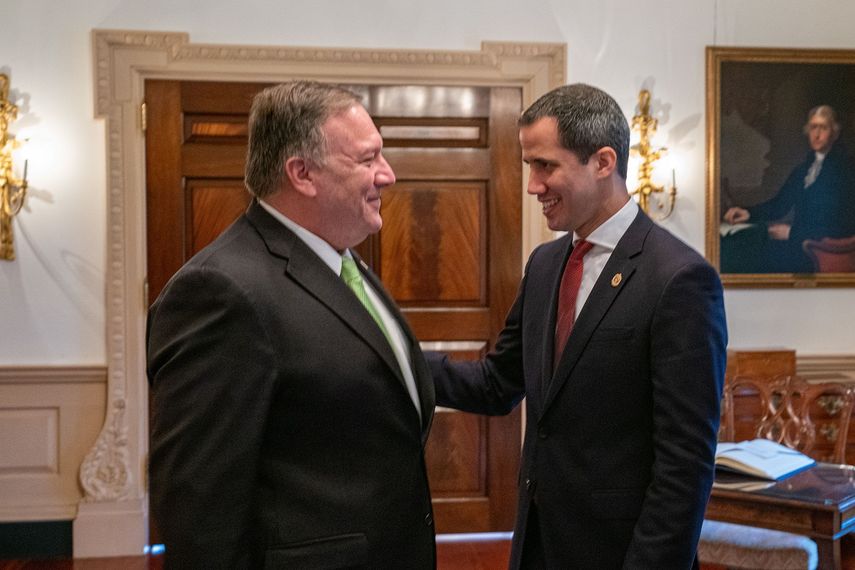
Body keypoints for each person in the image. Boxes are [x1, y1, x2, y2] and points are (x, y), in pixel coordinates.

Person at [427, 84, 727, 569]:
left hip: (621, 554)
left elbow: (685, 464)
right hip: (539, 546)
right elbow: (498, 383)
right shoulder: (545, 264)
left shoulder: (679, 279)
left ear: (603, 162)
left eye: (546, 165)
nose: (532, 185)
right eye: (530, 166)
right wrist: (397, 357)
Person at [147, 81, 436, 569]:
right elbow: (199, 507)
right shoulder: (220, 292)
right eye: (367, 160)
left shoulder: (341, 260)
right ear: (303, 173)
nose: (386, 175)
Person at [723, 105, 855, 273]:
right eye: (813, 127)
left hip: (820, 250)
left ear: (834, 133)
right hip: (799, 244)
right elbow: (780, 205)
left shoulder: (846, 169)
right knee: (742, 243)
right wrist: (748, 213)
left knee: (757, 256)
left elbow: (842, 223)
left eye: (823, 127)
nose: (817, 134)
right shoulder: (803, 169)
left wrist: (793, 233)